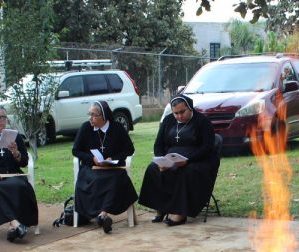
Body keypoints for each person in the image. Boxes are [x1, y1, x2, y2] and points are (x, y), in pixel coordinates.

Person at [138, 94, 218, 226]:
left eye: (182, 112)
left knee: (187, 172)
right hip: (171, 160)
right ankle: (161, 207)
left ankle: (181, 213)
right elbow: (158, 144)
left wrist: (188, 160)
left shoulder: (202, 122)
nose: (179, 116)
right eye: (176, 113)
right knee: (153, 169)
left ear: (190, 108)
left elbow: (207, 147)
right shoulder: (168, 120)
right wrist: (162, 160)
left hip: (198, 160)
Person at [0, 105, 39, 242]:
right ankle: (15, 223)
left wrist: (16, 153)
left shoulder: (14, 136)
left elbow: (24, 162)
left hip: (12, 174)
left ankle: (13, 226)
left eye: (2, 117)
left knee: (19, 185)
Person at [71, 100, 137, 234]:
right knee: (93, 180)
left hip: (113, 168)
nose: (91, 118)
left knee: (115, 180)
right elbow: (76, 150)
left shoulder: (117, 128)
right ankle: (102, 215)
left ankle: (102, 214)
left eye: (94, 115)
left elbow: (129, 149)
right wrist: (92, 158)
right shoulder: (85, 128)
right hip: (92, 168)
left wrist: (113, 159)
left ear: (104, 116)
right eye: (89, 114)